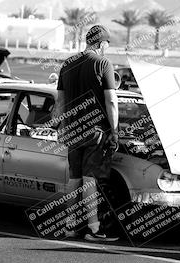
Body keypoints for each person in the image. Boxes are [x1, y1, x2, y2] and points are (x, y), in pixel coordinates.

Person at [53, 24, 119, 241]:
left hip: (72, 131)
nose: (106, 49)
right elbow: (111, 100)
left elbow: (60, 101)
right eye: (106, 45)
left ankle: (70, 226)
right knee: (89, 180)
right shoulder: (103, 63)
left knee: (73, 180)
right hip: (94, 132)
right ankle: (94, 228)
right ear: (101, 44)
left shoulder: (68, 64)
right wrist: (115, 131)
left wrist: (61, 128)